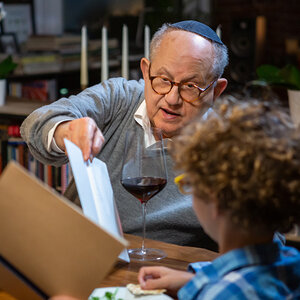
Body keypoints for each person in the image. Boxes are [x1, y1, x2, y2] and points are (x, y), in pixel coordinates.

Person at [20, 20, 228, 249]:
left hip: (159, 273)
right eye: (163, 80)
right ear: (146, 71)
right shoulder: (120, 97)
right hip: (70, 248)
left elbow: (265, 244)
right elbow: (36, 123)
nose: (172, 98)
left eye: (190, 86)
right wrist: (66, 130)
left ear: (215, 91)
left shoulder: (230, 148)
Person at [137, 98, 300, 299]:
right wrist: (194, 281)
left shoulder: (218, 295)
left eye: (189, 184)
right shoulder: (291, 263)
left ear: (215, 201)